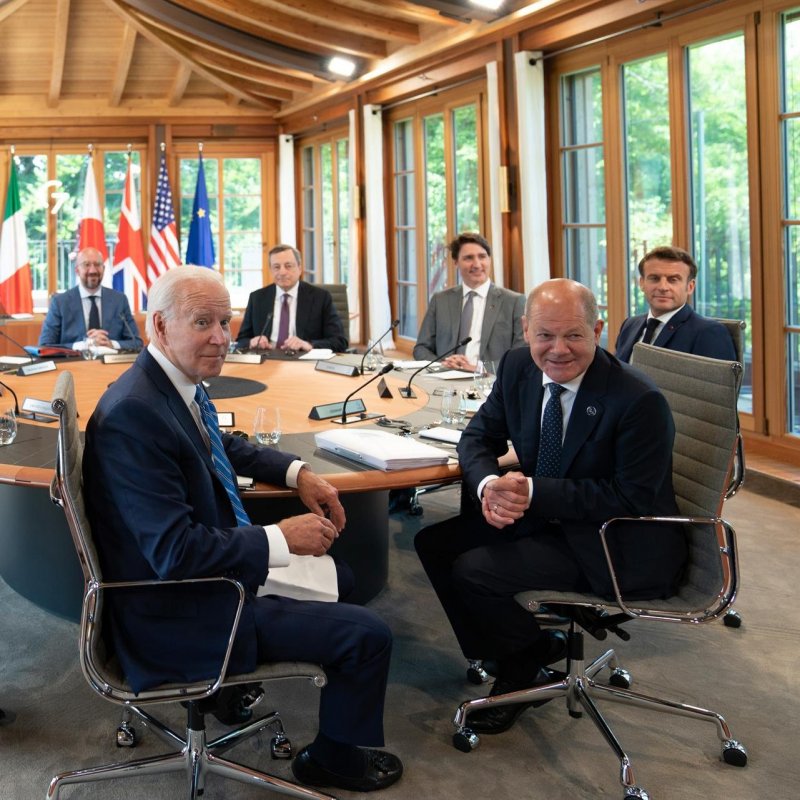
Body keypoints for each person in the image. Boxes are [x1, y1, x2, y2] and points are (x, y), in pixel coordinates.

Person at [82, 266, 402, 793]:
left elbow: (219, 445)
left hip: (202, 581)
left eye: (225, 322)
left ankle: (227, 693)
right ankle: (333, 762)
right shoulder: (134, 414)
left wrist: (298, 473)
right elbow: (174, 553)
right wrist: (281, 538)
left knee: (342, 577)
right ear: (159, 325)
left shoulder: (168, 383)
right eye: (202, 322)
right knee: (369, 635)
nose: (221, 337)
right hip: (177, 611)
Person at [414, 278, 686, 736]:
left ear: (597, 330)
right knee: (434, 543)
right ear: (526, 330)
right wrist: (488, 487)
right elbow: (478, 437)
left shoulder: (638, 399)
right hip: (550, 518)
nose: (558, 349)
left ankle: (520, 668)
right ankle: (526, 650)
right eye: (544, 335)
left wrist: (532, 493)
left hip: (613, 540)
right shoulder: (518, 365)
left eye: (573, 335)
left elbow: (632, 497)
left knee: (476, 571)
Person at [413, 232, 525, 371]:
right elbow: (421, 348)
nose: (477, 264)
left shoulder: (514, 302)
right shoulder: (440, 300)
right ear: (456, 262)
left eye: (482, 256)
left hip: (490, 379)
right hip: (445, 377)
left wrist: (478, 369)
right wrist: (444, 364)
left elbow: (521, 355)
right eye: (468, 258)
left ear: (489, 259)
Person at [614, 245, 737, 363]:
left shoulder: (709, 333)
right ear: (642, 283)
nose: (663, 287)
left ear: (690, 287)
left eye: (673, 280)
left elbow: (714, 379)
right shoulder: (630, 325)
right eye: (654, 278)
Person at [236, 245, 348, 353]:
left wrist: (309, 345)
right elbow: (241, 341)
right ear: (270, 270)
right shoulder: (257, 298)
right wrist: (251, 342)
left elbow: (339, 341)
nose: (282, 272)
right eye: (276, 267)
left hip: (303, 360)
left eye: (288, 266)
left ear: (299, 268)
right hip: (267, 359)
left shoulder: (320, 298)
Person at [38, 247, 142, 351]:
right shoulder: (60, 303)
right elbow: (45, 345)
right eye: (86, 265)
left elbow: (137, 343)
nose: (93, 270)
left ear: (103, 269)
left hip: (111, 360)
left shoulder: (119, 300)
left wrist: (111, 344)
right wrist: (84, 345)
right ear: (77, 270)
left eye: (97, 264)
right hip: (75, 360)